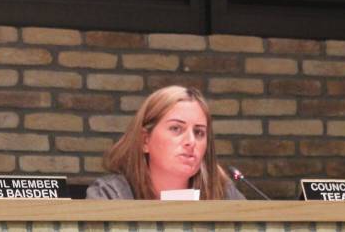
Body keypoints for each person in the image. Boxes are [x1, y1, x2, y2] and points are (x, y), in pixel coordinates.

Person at [87, 85, 244, 200]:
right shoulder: (111, 194)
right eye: (176, 129)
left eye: (199, 133)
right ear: (145, 140)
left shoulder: (223, 194)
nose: (191, 141)